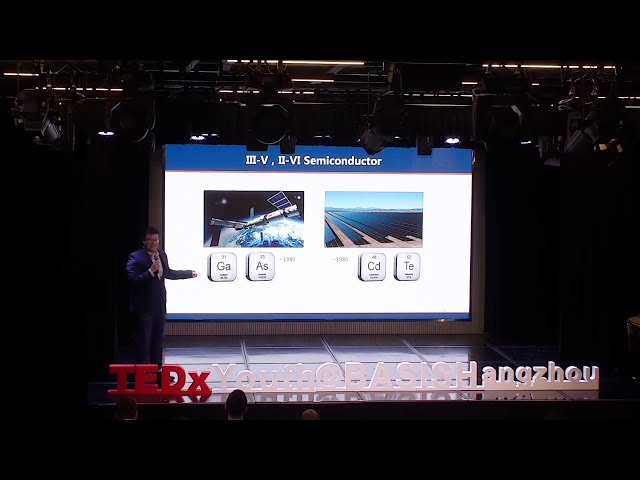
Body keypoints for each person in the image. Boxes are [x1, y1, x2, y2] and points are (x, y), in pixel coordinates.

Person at [127, 226, 197, 372]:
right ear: (144, 241)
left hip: (159, 305)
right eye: (150, 240)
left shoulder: (162, 255)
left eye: (156, 240)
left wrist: (188, 273)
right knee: (144, 340)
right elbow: (133, 280)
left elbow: (168, 273)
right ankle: (143, 374)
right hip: (144, 307)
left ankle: (157, 372)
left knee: (158, 339)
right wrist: (150, 271)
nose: (154, 243)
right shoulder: (136, 257)